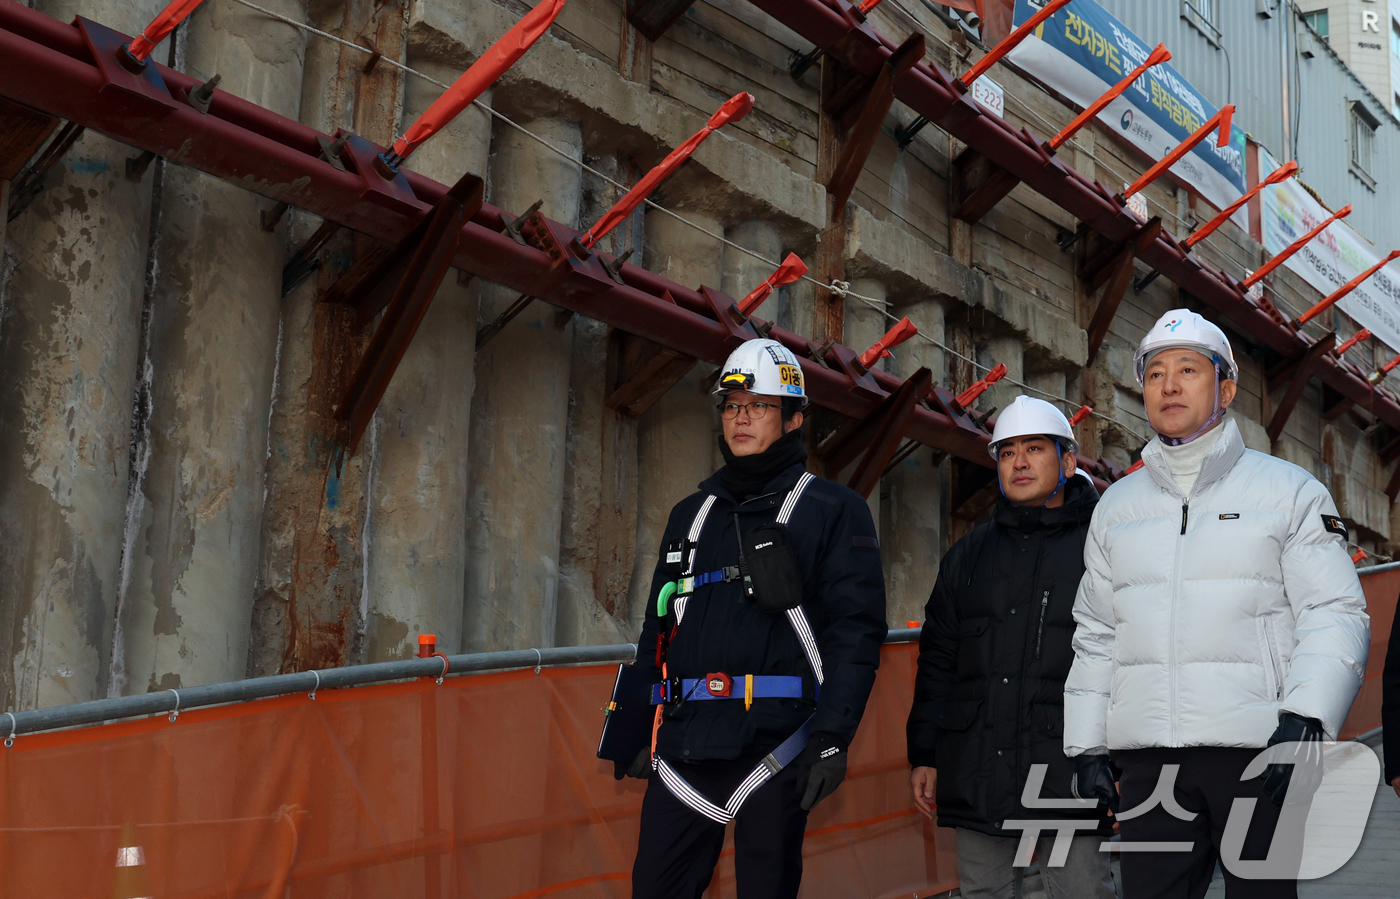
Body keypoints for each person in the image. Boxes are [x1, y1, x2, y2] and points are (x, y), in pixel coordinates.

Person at [1064, 309, 1370, 899]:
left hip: (1258, 754)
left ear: (1225, 388)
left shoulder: (1289, 493)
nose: (1170, 386)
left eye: (1187, 370)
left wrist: (1306, 717)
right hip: (1151, 766)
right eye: (1155, 374)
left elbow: (1333, 611)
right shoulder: (1116, 507)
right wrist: (1086, 748)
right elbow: (1097, 633)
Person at [625, 337, 887, 899]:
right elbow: (659, 626)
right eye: (732, 407)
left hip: (779, 744)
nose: (741, 419)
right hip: (685, 745)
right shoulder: (690, 515)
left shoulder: (834, 510)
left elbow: (856, 635)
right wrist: (632, 727)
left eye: (760, 407)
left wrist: (832, 737)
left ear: (794, 419)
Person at [906, 395, 1116, 899]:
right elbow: (938, 658)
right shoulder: (970, 554)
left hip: (1069, 765)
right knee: (983, 891)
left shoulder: (1104, 546)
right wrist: (924, 753)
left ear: (1067, 461)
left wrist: (1119, 762)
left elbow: (1131, 657)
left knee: (1080, 890)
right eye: (1007, 452)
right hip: (981, 762)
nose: (1019, 463)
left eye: (1034, 449)